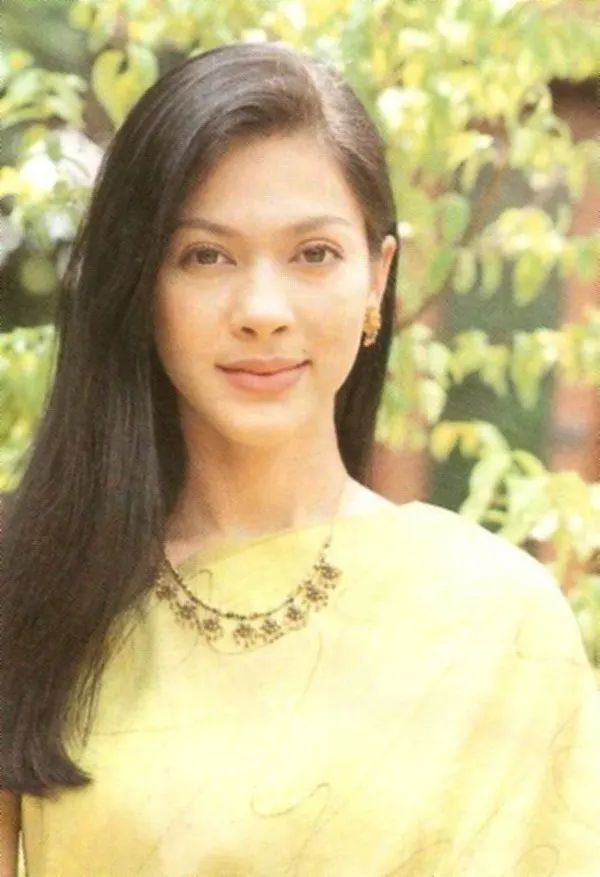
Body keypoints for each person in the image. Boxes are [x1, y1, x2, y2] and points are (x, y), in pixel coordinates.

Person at [1, 41, 599, 877]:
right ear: (141, 284)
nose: (262, 310)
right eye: (205, 255)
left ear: (376, 279)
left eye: (313, 253)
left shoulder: (498, 619)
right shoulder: (33, 590)